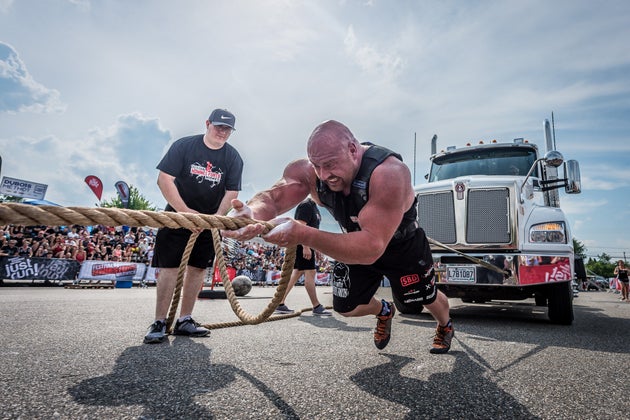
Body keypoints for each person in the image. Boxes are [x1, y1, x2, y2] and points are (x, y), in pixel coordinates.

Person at [224, 120, 453, 354]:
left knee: (425, 297)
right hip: (354, 242)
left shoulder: (389, 173)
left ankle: (445, 325)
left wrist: (303, 234)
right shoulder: (310, 172)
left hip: (401, 245)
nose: (324, 175)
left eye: (331, 164)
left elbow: (372, 246)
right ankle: (384, 310)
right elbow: (274, 197)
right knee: (345, 307)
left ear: (353, 150)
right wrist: (251, 213)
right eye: (317, 166)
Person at [144, 108, 244, 344]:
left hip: (209, 222)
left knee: (198, 268)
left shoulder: (233, 157)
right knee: (169, 268)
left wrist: (216, 219)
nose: (222, 132)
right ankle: (159, 321)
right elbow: (164, 179)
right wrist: (185, 213)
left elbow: (232, 191)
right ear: (207, 123)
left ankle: (185, 320)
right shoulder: (184, 146)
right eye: (219, 126)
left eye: (227, 129)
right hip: (177, 215)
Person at [274, 197, 332, 316]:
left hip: (307, 244)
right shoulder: (306, 205)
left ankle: (279, 303)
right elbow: (300, 227)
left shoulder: (315, 208)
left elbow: (313, 230)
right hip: (302, 244)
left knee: (296, 273)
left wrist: (316, 248)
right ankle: (316, 306)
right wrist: (306, 247)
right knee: (310, 273)